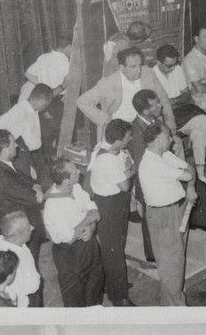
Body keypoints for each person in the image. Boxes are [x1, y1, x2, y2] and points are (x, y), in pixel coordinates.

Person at [129, 89, 206, 238]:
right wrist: (172, 171)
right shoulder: (136, 130)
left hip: (164, 169)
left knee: (199, 185)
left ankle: (196, 222)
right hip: (152, 180)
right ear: (145, 110)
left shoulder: (154, 121)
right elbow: (143, 163)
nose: (161, 106)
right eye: (156, 105)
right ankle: (152, 254)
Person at [138, 121, 197, 306]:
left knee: (174, 263)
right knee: (171, 266)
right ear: (156, 141)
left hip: (177, 210)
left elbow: (191, 169)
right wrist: (190, 183)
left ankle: (168, 306)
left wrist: (191, 188)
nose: (172, 139)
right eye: (167, 136)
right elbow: (188, 174)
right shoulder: (152, 163)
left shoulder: (164, 154)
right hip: (164, 216)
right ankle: (179, 313)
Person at [152, 44, 206, 183]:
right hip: (165, 118)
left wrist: (171, 101)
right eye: (169, 65)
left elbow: (186, 96)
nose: (173, 68)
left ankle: (200, 173)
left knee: (199, 131)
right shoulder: (152, 76)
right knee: (202, 122)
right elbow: (157, 106)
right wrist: (172, 102)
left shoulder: (178, 70)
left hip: (182, 112)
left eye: (175, 64)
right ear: (158, 63)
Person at [77, 45, 177, 141]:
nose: (138, 71)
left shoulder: (148, 73)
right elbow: (82, 101)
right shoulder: (108, 83)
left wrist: (171, 128)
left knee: (176, 143)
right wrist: (106, 119)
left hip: (147, 126)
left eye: (140, 65)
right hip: (122, 132)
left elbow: (163, 99)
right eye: (133, 67)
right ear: (122, 68)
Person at [86, 119, 136, 307]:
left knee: (115, 247)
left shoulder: (108, 147)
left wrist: (126, 169)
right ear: (118, 140)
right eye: (128, 137)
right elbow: (124, 185)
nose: (130, 139)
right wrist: (130, 170)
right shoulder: (107, 158)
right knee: (113, 251)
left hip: (115, 202)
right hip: (109, 204)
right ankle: (119, 297)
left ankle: (111, 284)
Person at [44, 158, 104, 307]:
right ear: (65, 181)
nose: (79, 172)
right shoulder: (53, 205)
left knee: (95, 285)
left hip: (89, 245)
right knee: (75, 297)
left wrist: (91, 227)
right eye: (74, 172)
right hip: (70, 255)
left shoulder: (76, 188)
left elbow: (93, 211)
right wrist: (87, 221)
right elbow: (69, 238)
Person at [0, 129, 45, 268]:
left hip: (17, 225)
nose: (17, 145)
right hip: (19, 230)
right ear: (5, 149)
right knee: (26, 267)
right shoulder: (1, 177)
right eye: (13, 143)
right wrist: (36, 190)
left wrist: (35, 185)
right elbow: (34, 199)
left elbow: (23, 178)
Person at [17, 33, 72, 163]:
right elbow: (68, 84)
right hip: (56, 101)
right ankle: (60, 160)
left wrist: (43, 86)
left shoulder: (43, 57)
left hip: (43, 100)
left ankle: (49, 160)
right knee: (63, 132)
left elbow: (28, 74)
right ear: (68, 47)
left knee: (45, 134)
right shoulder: (66, 63)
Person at [0, 83, 54, 189]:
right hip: (22, 156)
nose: (45, 108)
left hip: (33, 154)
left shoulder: (32, 109)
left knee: (43, 183)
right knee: (32, 187)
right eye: (46, 105)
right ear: (42, 102)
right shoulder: (20, 111)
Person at [0, 211, 41, 308]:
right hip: (25, 301)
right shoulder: (15, 258)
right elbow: (31, 287)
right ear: (17, 235)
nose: (33, 228)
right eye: (28, 228)